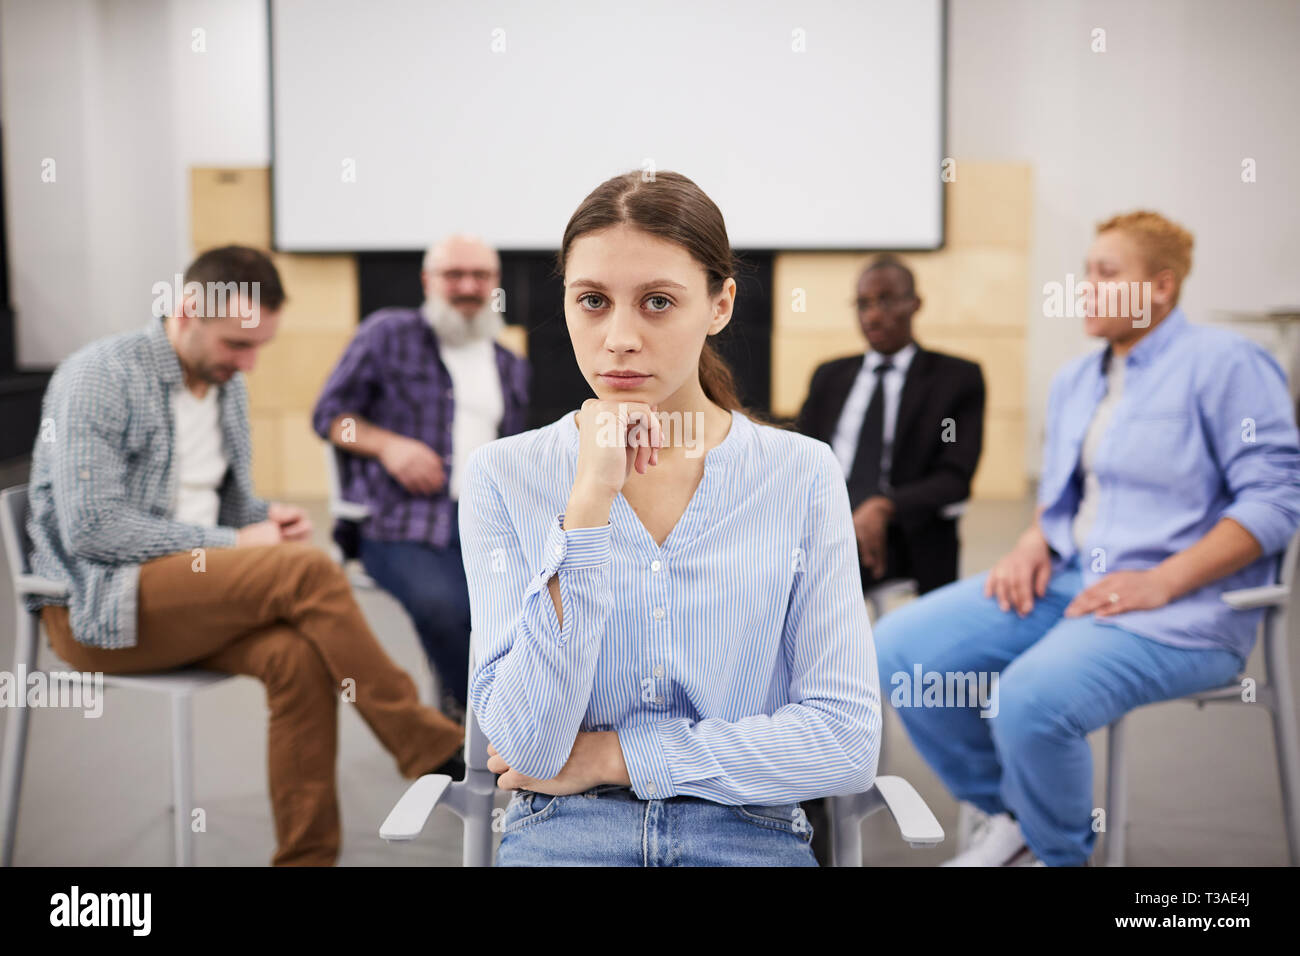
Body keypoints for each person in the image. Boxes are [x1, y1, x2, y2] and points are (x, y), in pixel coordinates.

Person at [458, 170, 881, 866]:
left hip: (749, 831)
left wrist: (615, 755)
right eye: (592, 300)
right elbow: (528, 744)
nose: (619, 337)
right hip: (565, 836)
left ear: (720, 305)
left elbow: (843, 742)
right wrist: (587, 506)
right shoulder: (504, 477)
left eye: (657, 301)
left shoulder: (799, 475)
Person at [874, 211, 1300, 866]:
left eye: (1107, 274)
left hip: (1182, 609)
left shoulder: (1226, 364)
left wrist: (1162, 580)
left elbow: (1275, 500)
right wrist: (1033, 540)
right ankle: (1015, 819)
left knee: (1028, 696)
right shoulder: (1077, 380)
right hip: (1074, 583)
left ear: (1160, 288)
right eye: (1085, 273)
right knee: (901, 649)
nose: (1086, 288)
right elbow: (1063, 499)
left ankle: (1058, 854)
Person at [25, 246, 465, 866]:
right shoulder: (98, 375)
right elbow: (93, 529)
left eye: (259, 346)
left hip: (188, 598)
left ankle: (306, 860)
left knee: (299, 658)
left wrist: (261, 519)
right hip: (101, 609)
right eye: (237, 344)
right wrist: (236, 544)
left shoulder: (223, 386)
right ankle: (432, 747)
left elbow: (219, 505)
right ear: (186, 310)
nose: (249, 363)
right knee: (308, 569)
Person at [313, 235, 530, 724]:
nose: (468, 286)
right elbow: (329, 418)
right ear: (428, 281)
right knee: (444, 607)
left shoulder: (509, 365)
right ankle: (496, 729)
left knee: (529, 611)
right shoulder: (387, 334)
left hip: (488, 521)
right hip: (397, 521)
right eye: (455, 275)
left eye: (481, 276)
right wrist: (388, 446)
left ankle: (477, 719)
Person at [796, 254, 985, 595]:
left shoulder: (954, 380)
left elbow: (954, 479)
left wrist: (884, 506)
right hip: (822, 521)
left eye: (885, 301)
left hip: (902, 534)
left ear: (915, 304)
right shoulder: (829, 376)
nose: (872, 315)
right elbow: (800, 455)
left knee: (803, 569)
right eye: (863, 304)